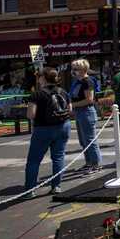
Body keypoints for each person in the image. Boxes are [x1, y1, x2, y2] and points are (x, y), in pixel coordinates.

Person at [24, 68, 72, 197]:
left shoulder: (37, 94)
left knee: (34, 160)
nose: (38, 79)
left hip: (43, 129)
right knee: (58, 157)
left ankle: (30, 190)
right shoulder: (63, 91)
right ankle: (56, 186)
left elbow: (31, 114)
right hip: (62, 126)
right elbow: (70, 109)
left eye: (39, 76)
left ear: (43, 78)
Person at [71, 59, 102, 173]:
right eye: (73, 68)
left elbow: (89, 100)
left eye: (76, 69)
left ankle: (96, 164)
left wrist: (72, 105)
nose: (73, 71)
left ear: (83, 69)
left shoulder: (87, 81)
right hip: (79, 112)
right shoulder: (78, 82)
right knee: (83, 141)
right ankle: (89, 162)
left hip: (86, 112)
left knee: (90, 140)